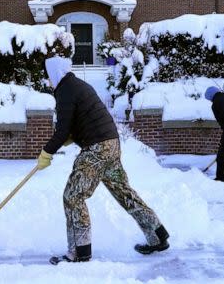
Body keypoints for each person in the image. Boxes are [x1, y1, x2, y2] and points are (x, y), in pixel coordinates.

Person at [37, 56, 169, 265]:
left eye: (48, 76)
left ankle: (80, 252)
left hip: (97, 148)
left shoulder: (65, 90)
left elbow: (62, 129)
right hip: (111, 144)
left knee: (73, 196)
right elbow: (80, 120)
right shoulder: (78, 85)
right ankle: (157, 234)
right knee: (123, 192)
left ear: (54, 74)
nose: (47, 81)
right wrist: (68, 138)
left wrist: (46, 152)